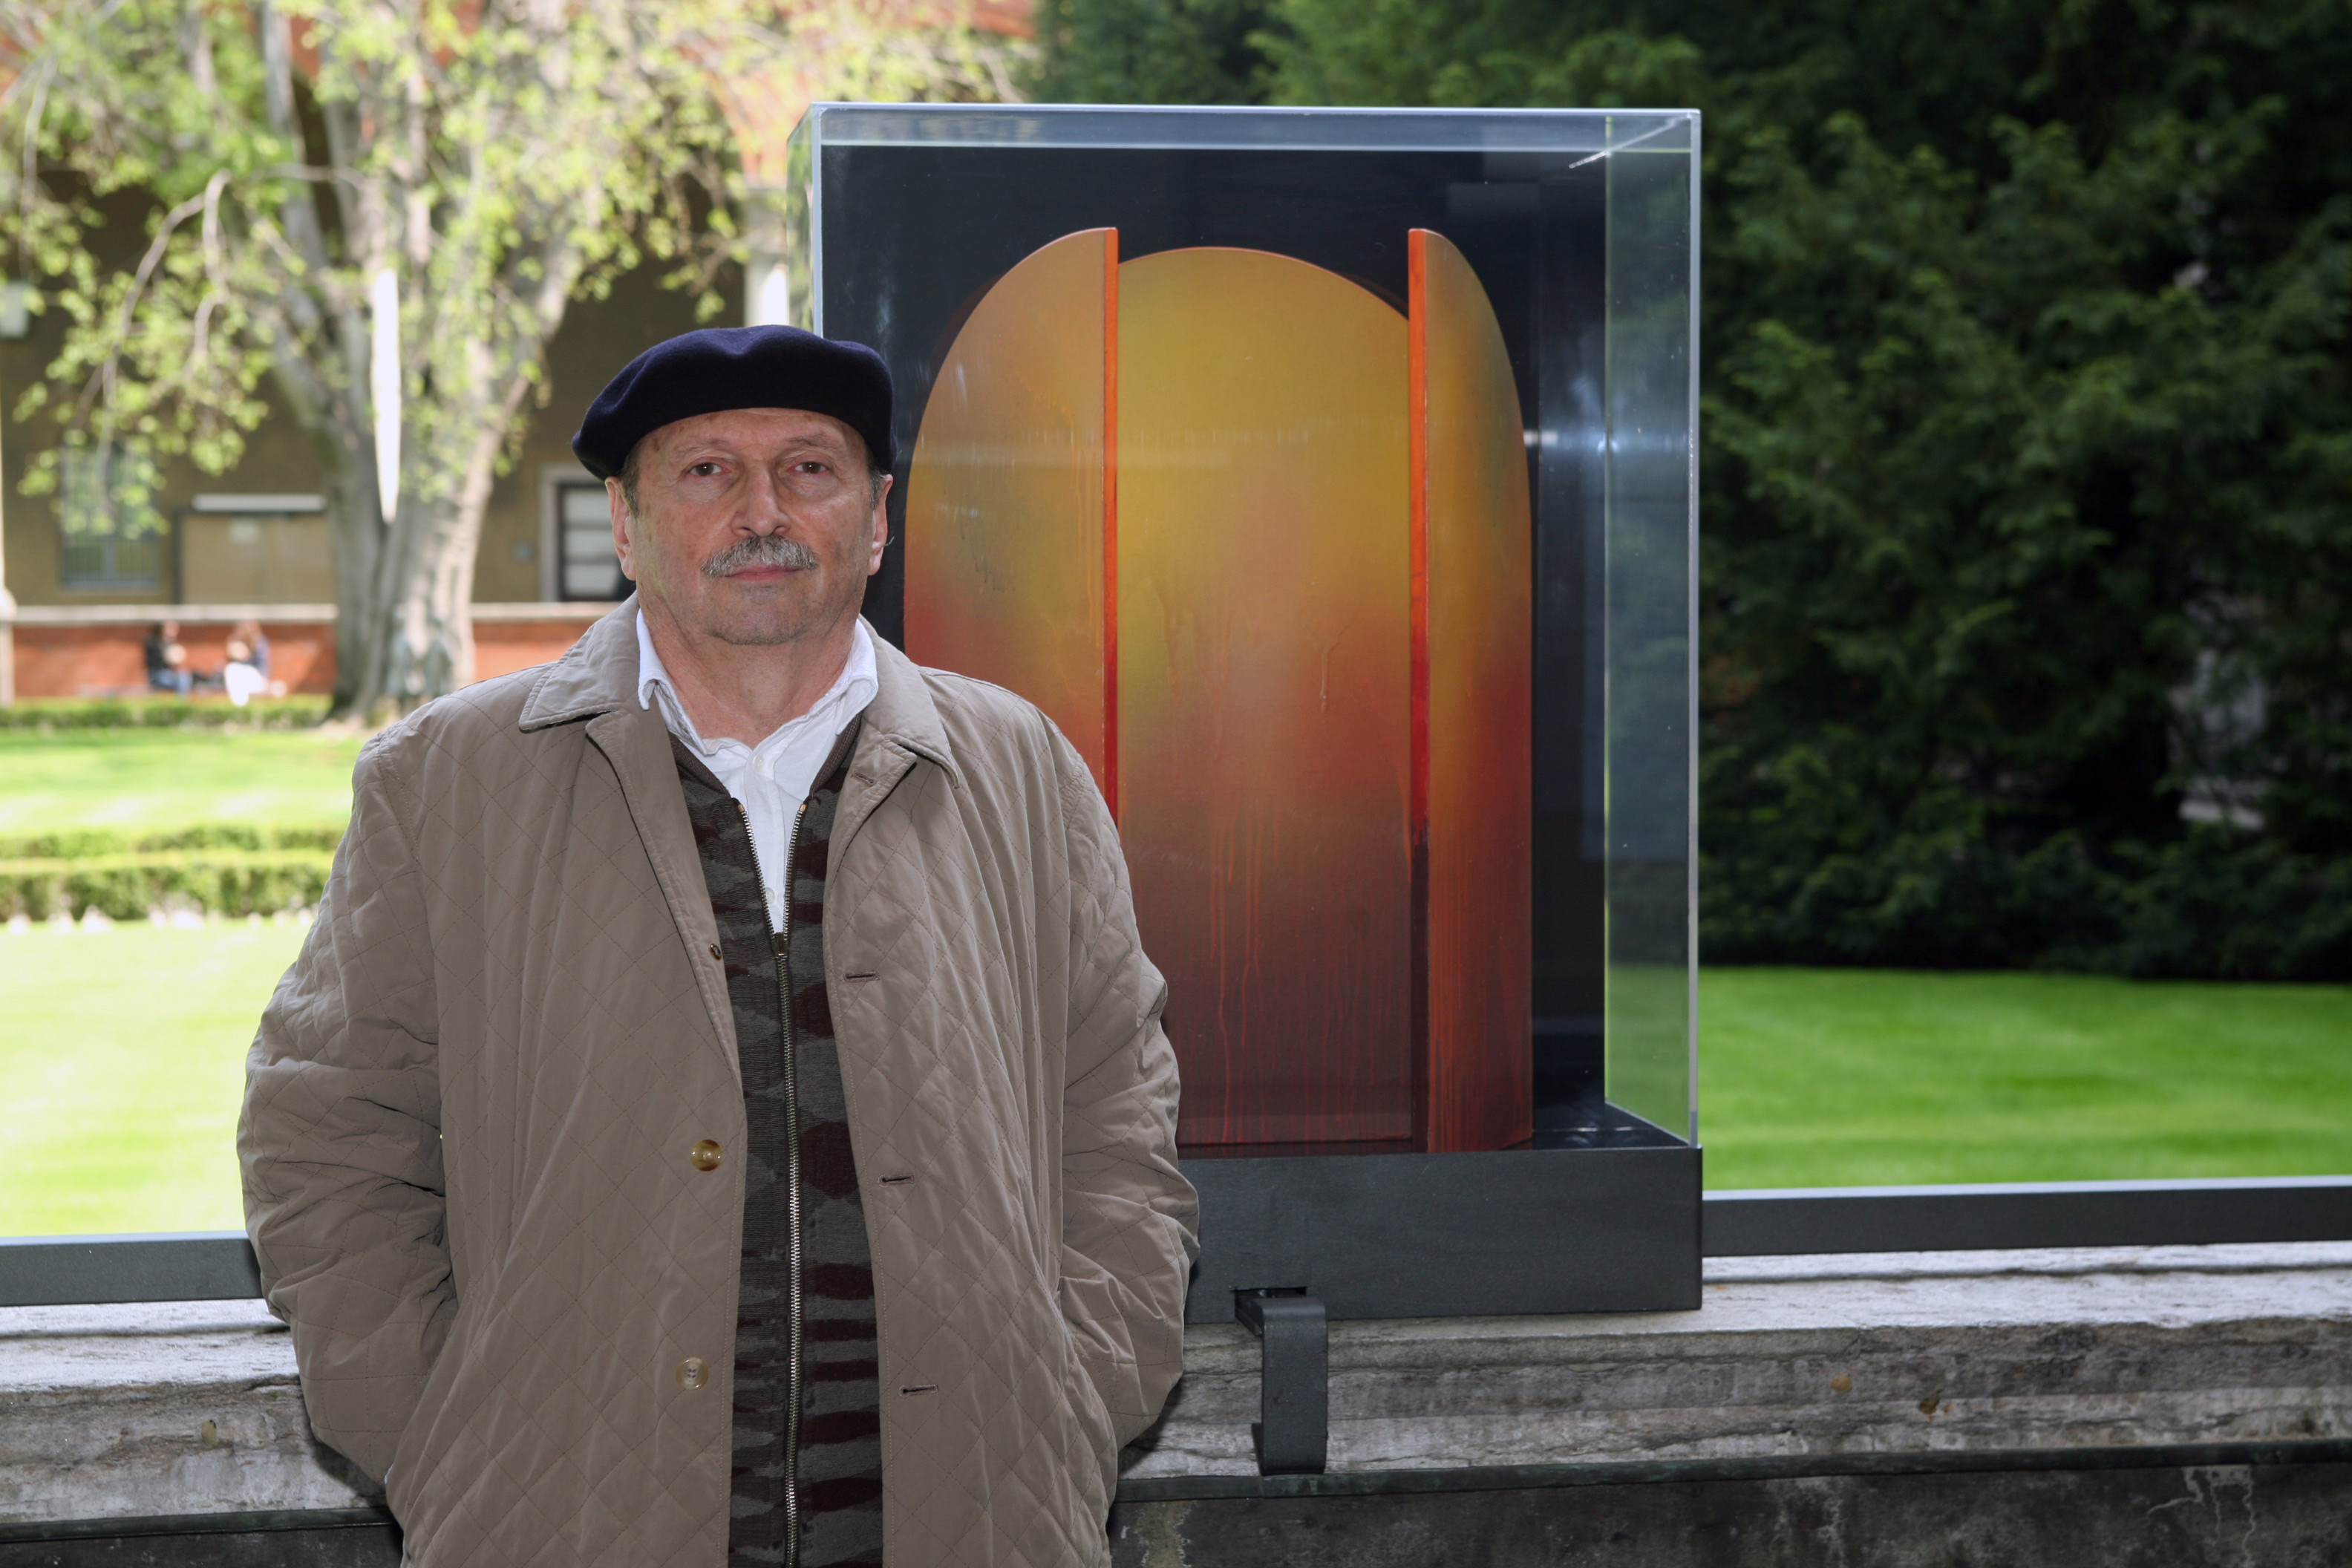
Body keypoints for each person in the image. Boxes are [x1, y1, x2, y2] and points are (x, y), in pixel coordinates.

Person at [240, 325, 1198, 1568]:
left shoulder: (1017, 767)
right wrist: (439, 1435)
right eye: (706, 472)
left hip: (976, 1514)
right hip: (566, 1524)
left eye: (810, 469)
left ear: (876, 520)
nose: (763, 512)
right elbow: (327, 1129)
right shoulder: (446, 781)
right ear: (626, 524)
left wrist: (1081, 1392)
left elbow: (1116, 1110)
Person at [143, 620, 192, 695]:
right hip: (157, 674)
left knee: (184, 674)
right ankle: (181, 699)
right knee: (180, 679)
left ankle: (182, 699)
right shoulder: (153, 643)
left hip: (169, 673)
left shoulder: (170, 643)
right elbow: (157, 661)